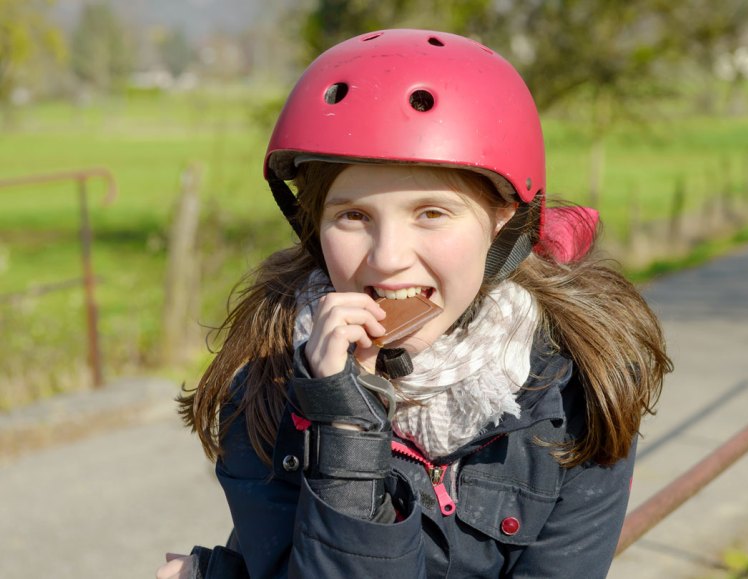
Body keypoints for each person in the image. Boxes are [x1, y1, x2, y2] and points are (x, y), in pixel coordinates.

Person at [158, 28, 671, 579]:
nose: (388, 259)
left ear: (503, 220)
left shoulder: (580, 389)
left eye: (431, 213)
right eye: (352, 216)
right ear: (313, 225)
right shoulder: (264, 393)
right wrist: (344, 427)